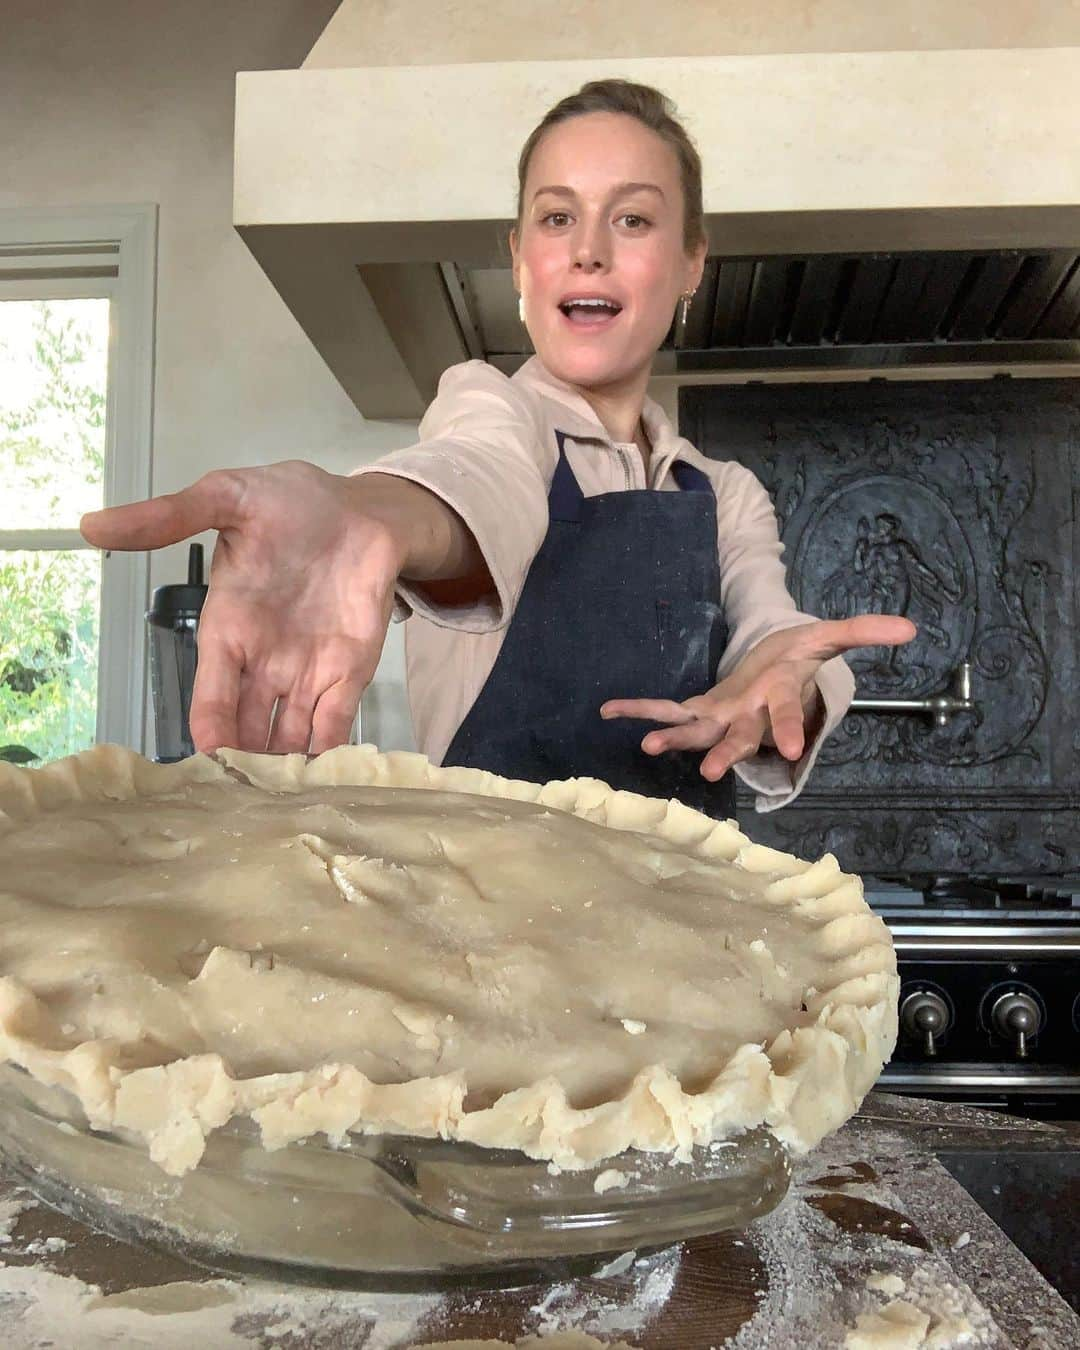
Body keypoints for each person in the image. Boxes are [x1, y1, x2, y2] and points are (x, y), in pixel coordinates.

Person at [81, 78, 915, 819]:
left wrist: (783, 678)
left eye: (632, 218)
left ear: (692, 261)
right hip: (488, 935)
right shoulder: (488, 406)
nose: (589, 248)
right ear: (520, 260)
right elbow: (469, 480)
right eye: (557, 218)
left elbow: (772, 629)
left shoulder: (725, 492)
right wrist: (367, 516)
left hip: (684, 943)